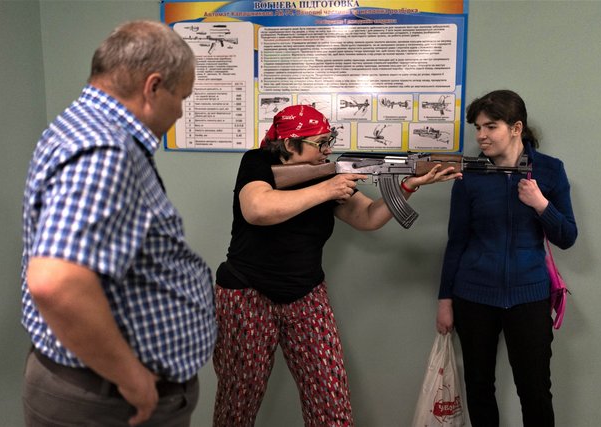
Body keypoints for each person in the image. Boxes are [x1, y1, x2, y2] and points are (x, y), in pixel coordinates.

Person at [213, 104, 462, 426]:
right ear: (290, 144)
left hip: (306, 295)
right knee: (238, 400)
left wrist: (408, 186)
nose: (328, 150)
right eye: (321, 143)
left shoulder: (328, 173)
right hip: (246, 293)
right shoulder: (258, 162)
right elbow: (257, 209)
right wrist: (327, 187)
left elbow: (368, 217)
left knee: (331, 401)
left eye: (329, 140)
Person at [20, 20, 216, 427]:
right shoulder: (105, 147)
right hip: (108, 401)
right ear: (153, 87)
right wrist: (133, 379)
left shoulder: (78, 125)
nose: (180, 111)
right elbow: (55, 280)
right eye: (182, 97)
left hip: (91, 388)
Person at [436, 90, 578, 426]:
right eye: (478, 127)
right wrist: (445, 299)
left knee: (535, 391)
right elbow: (456, 241)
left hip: (529, 296)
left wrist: (541, 204)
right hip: (473, 296)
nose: (481, 135)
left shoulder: (550, 170)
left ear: (516, 127)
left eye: (491, 126)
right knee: (479, 387)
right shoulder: (469, 176)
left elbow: (568, 237)